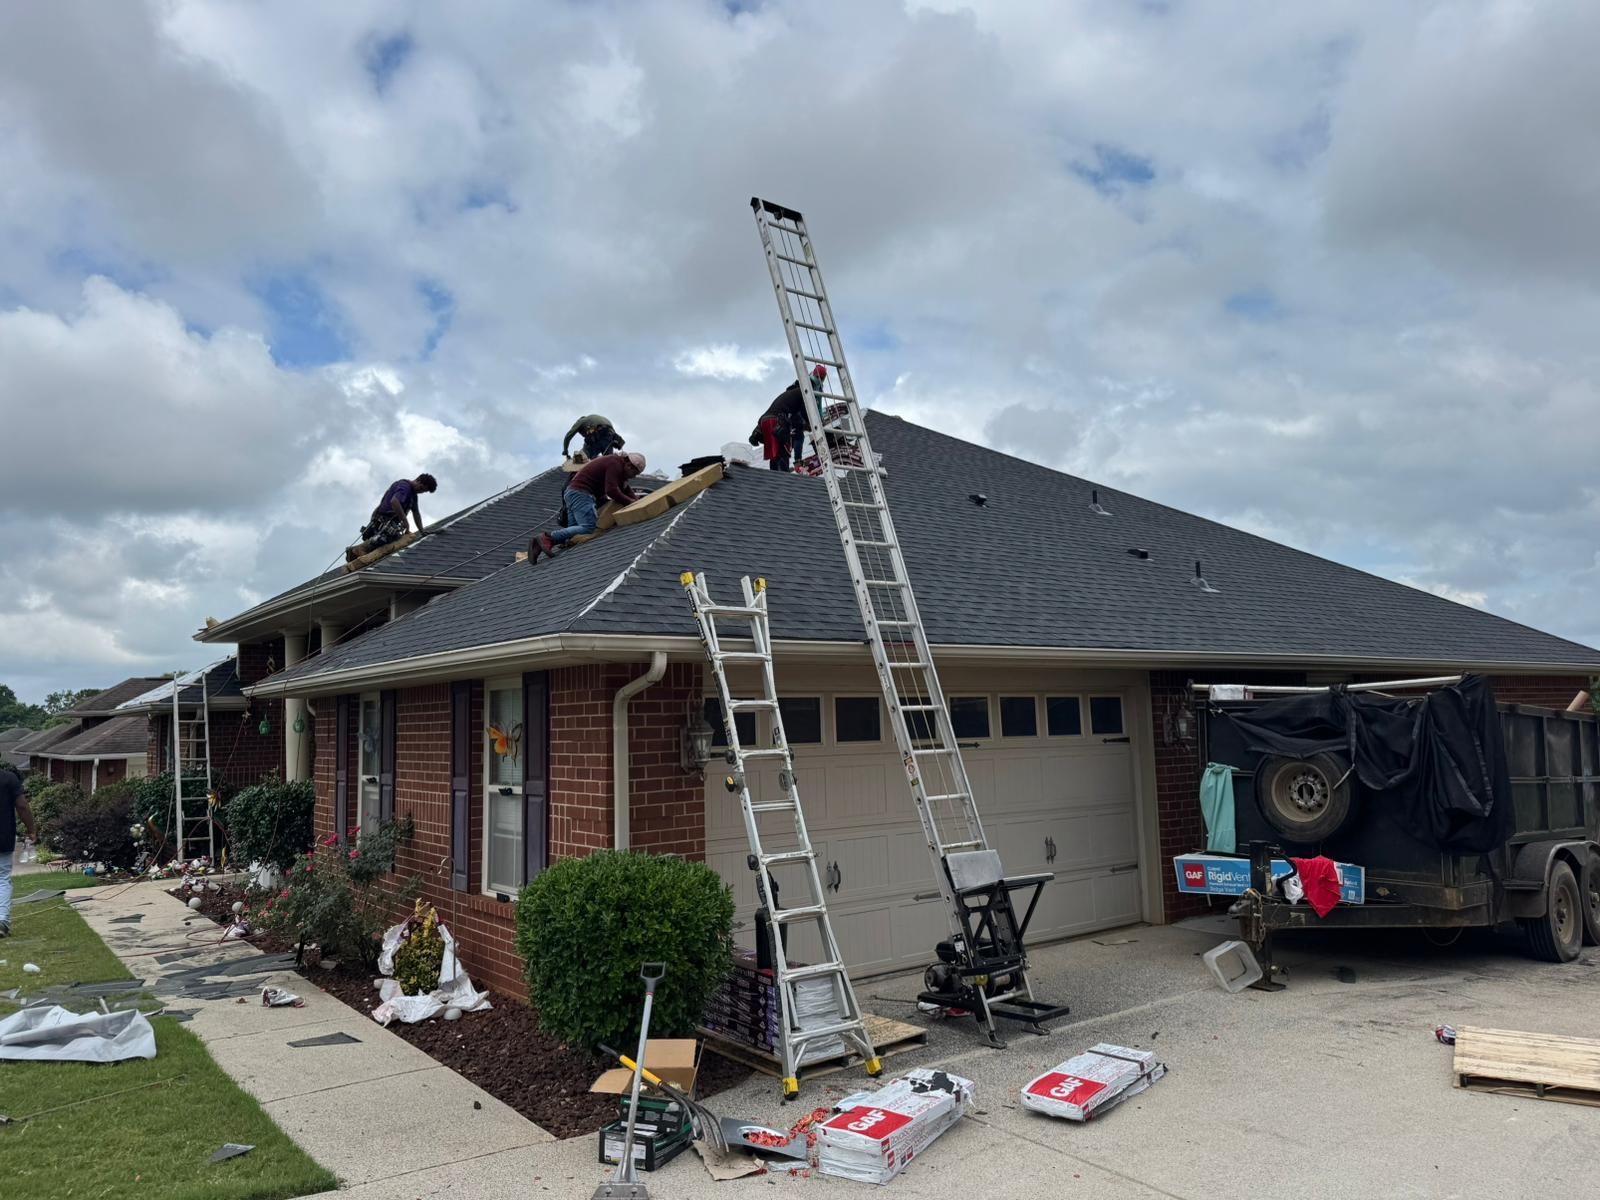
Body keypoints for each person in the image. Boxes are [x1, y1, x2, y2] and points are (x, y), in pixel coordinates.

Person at [532, 452, 646, 561]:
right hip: (581, 493)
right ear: (630, 466)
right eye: (635, 473)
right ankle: (547, 537)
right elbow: (612, 491)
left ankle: (541, 546)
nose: (634, 477)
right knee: (588, 527)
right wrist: (630, 503)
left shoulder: (619, 470)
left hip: (572, 493)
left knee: (575, 534)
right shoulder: (615, 463)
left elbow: (625, 489)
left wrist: (636, 501)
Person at [347, 473, 438, 561]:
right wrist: (405, 522)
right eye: (421, 488)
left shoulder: (413, 495)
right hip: (383, 520)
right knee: (383, 542)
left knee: (393, 543)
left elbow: (416, 514)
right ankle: (356, 551)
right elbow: (394, 502)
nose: (420, 492)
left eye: (423, 491)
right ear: (418, 480)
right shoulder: (404, 487)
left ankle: (360, 551)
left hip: (389, 521)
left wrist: (422, 531)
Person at [750, 366, 825, 471]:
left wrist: (756, 432)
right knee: (783, 452)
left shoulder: (793, 390)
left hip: (764, 421)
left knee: (775, 456)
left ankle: (776, 477)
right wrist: (812, 424)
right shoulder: (804, 393)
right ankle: (787, 472)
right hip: (778, 420)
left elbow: (770, 412)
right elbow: (806, 411)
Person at [1, 766, 38, 938]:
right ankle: (2, 921)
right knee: (2, 879)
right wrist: (31, 828)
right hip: (3, 837)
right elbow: (22, 806)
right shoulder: (9, 779)